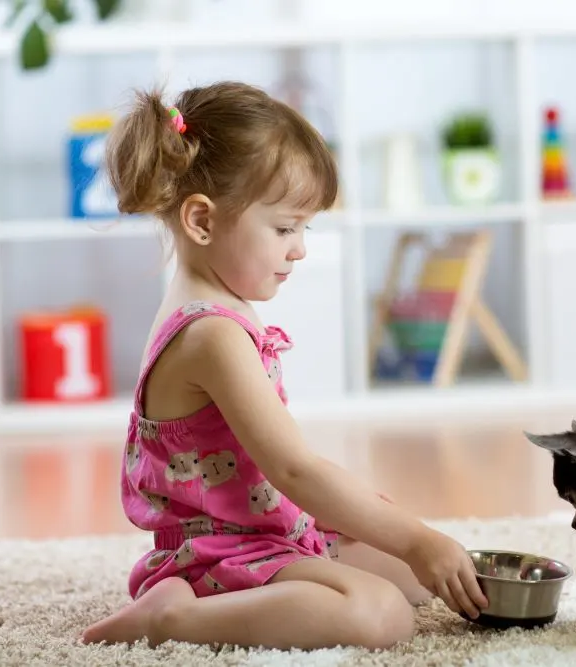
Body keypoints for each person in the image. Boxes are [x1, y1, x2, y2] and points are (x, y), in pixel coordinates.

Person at [80, 80, 487, 652]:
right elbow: (293, 470)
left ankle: (286, 581)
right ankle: (172, 618)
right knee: (382, 613)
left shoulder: (217, 304)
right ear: (201, 222)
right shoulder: (211, 333)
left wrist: (399, 540)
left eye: (305, 228)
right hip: (217, 555)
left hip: (262, 528)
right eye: (284, 228)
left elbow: (279, 477)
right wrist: (418, 539)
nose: (299, 249)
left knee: (411, 574)